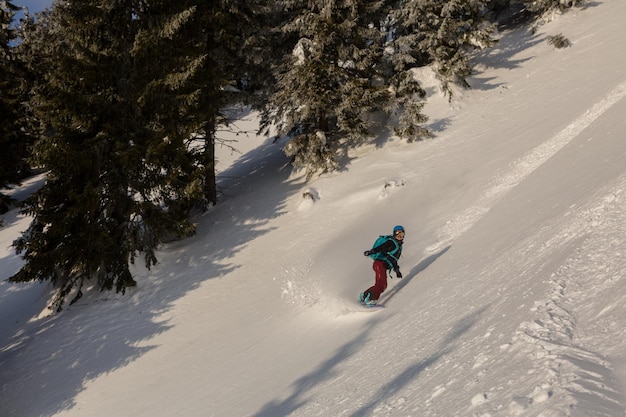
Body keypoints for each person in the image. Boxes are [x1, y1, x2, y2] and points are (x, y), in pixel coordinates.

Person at [359, 225, 404, 306]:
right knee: (382, 285)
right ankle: (370, 299)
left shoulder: (398, 246)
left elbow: (393, 260)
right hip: (380, 264)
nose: (400, 236)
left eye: (402, 234)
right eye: (398, 233)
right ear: (394, 234)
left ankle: (365, 295)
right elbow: (381, 248)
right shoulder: (391, 242)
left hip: (380, 265)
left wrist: (397, 270)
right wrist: (371, 251)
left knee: (380, 284)